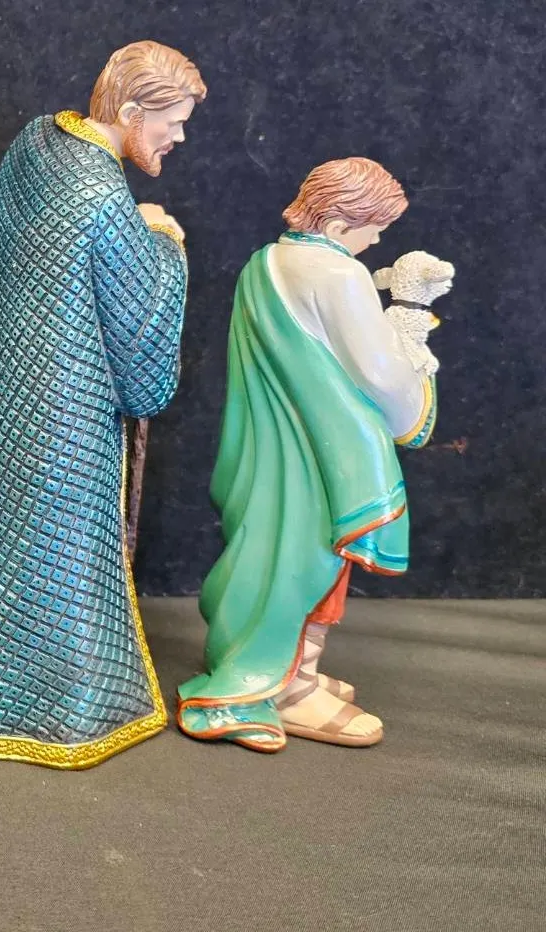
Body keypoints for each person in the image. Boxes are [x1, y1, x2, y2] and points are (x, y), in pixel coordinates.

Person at [0, 41, 206, 768]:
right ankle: (63, 707)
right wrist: (165, 243)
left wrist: (136, 227)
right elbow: (139, 332)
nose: (178, 136)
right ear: (130, 111)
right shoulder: (102, 193)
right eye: (171, 121)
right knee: (57, 553)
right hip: (61, 415)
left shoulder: (38, 142)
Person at [177, 158, 437, 751]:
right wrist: (410, 325)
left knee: (272, 551)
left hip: (268, 449)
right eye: (374, 229)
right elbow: (379, 375)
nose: (377, 242)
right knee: (315, 558)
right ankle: (291, 687)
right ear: (341, 222)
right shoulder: (339, 274)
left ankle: (289, 669)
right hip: (323, 455)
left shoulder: (264, 263)